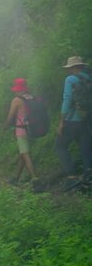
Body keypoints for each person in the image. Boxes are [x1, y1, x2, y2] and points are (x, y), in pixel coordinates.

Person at [55, 56, 92, 189]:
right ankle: (88, 175)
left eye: (70, 68)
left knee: (60, 146)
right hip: (86, 119)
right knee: (85, 147)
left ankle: (71, 176)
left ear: (73, 67)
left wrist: (61, 121)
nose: (69, 71)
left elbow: (67, 99)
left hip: (72, 119)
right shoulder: (89, 78)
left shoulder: (70, 79)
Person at [5, 78, 38, 185]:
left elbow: (10, 117)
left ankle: (35, 178)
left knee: (25, 154)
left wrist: (5, 126)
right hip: (32, 130)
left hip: (21, 130)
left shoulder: (16, 100)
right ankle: (15, 178)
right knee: (22, 154)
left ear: (17, 89)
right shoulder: (31, 97)